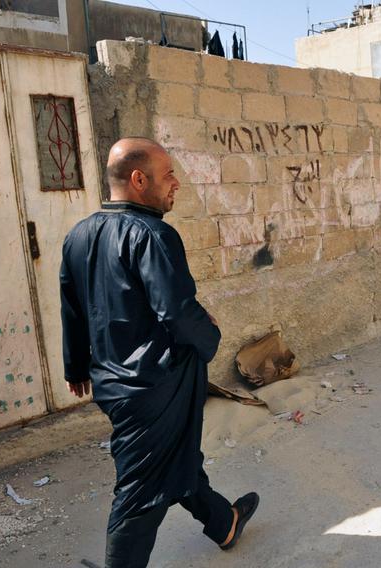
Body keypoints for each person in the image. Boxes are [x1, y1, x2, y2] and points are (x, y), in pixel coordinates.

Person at [60, 137, 259, 567]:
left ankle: (223, 521)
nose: (176, 184)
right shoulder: (153, 235)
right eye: (168, 174)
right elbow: (178, 312)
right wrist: (210, 337)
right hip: (156, 383)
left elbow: (72, 309)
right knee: (140, 487)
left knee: (176, 455)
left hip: (112, 382)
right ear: (138, 179)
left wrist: (76, 366)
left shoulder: (78, 235)